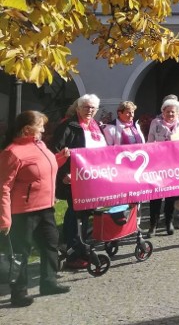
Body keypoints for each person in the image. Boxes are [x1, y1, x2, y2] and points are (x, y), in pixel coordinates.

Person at [0, 111, 71, 307]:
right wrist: (4, 218)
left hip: (46, 207)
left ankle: (48, 282)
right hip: (23, 212)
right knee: (21, 252)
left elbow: (40, 170)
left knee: (50, 245)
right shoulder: (12, 152)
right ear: (27, 129)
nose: (43, 129)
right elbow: (3, 187)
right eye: (40, 125)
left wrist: (58, 159)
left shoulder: (39, 145)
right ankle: (19, 293)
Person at [52, 93, 108, 269]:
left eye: (93, 108)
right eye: (86, 107)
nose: (89, 110)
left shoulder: (96, 126)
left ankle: (81, 245)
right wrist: (63, 174)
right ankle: (72, 250)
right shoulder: (68, 126)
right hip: (72, 178)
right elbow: (55, 150)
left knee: (85, 212)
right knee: (75, 212)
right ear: (78, 108)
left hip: (92, 178)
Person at [145, 99, 179, 236]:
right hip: (158, 166)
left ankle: (168, 222)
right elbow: (149, 143)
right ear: (163, 112)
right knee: (156, 197)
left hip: (174, 167)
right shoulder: (155, 124)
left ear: (178, 113)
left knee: (170, 196)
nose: (170, 114)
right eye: (167, 111)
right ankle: (153, 224)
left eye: (173, 112)